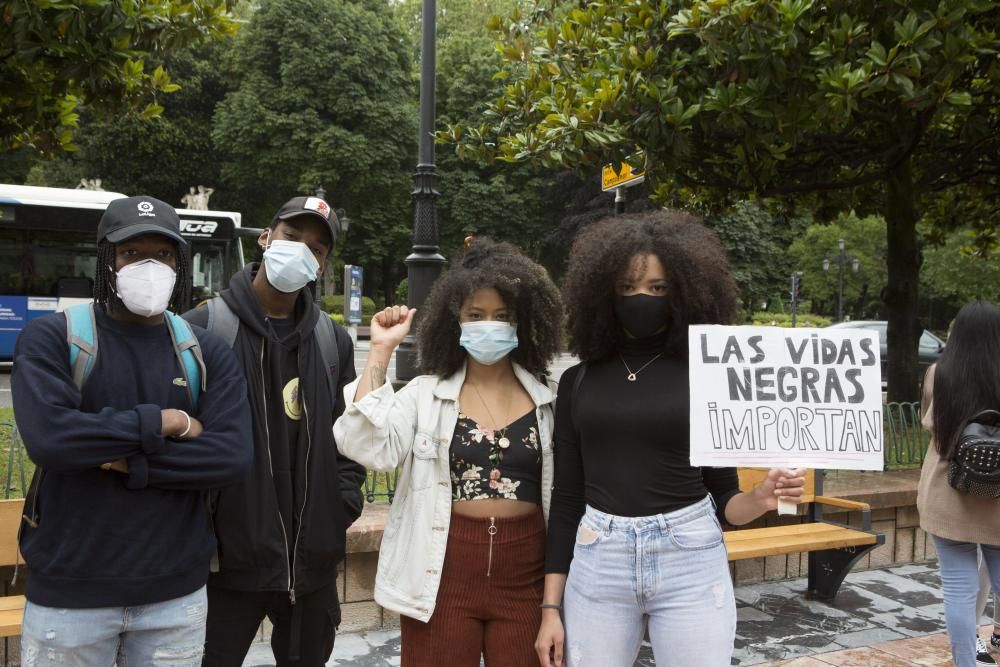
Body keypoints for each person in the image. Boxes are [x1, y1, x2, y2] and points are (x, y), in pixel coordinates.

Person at [535, 210, 806, 667]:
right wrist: (549, 609)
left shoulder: (709, 377)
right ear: (604, 293)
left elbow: (726, 501)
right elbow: (566, 501)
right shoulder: (578, 381)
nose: (642, 298)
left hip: (691, 557)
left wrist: (760, 498)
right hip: (599, 561)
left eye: (658, 288)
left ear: (683, 291)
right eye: (627, 287)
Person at [12, 195, 253, 666]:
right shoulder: (52, 338)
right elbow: (51, 440)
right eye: (132, 253)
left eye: (163, 255)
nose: (149, 266)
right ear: (108, 260)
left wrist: (120, 458)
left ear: (180, 264)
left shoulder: (204, 351)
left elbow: (230, 456)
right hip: (70, 595)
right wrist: (168, 421)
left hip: (175, 596)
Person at [334, 239, 564, 666]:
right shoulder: (424, 395)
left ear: (521, 324)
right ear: (455, 320)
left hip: (527, 579)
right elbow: (365, 447)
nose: (488, 325)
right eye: (476, 315)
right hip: (440, 576)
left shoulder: (548, 402)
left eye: (502, 316)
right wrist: (380, 351)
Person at [184, 195, 365, 667]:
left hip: (311, 566)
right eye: (292, 236)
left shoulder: (333, 340)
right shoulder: (203, 328)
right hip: (227, 566)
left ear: (323, 265)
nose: (302, 250)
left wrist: (340, 506)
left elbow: (346, 438)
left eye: (318, 247)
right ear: (266, 238)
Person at [917, 300, 1000, 667]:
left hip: (947, 494)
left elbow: (926, 422)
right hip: (998, 498)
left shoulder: (938, 373)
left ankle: (966, 663)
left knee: (959, 589)